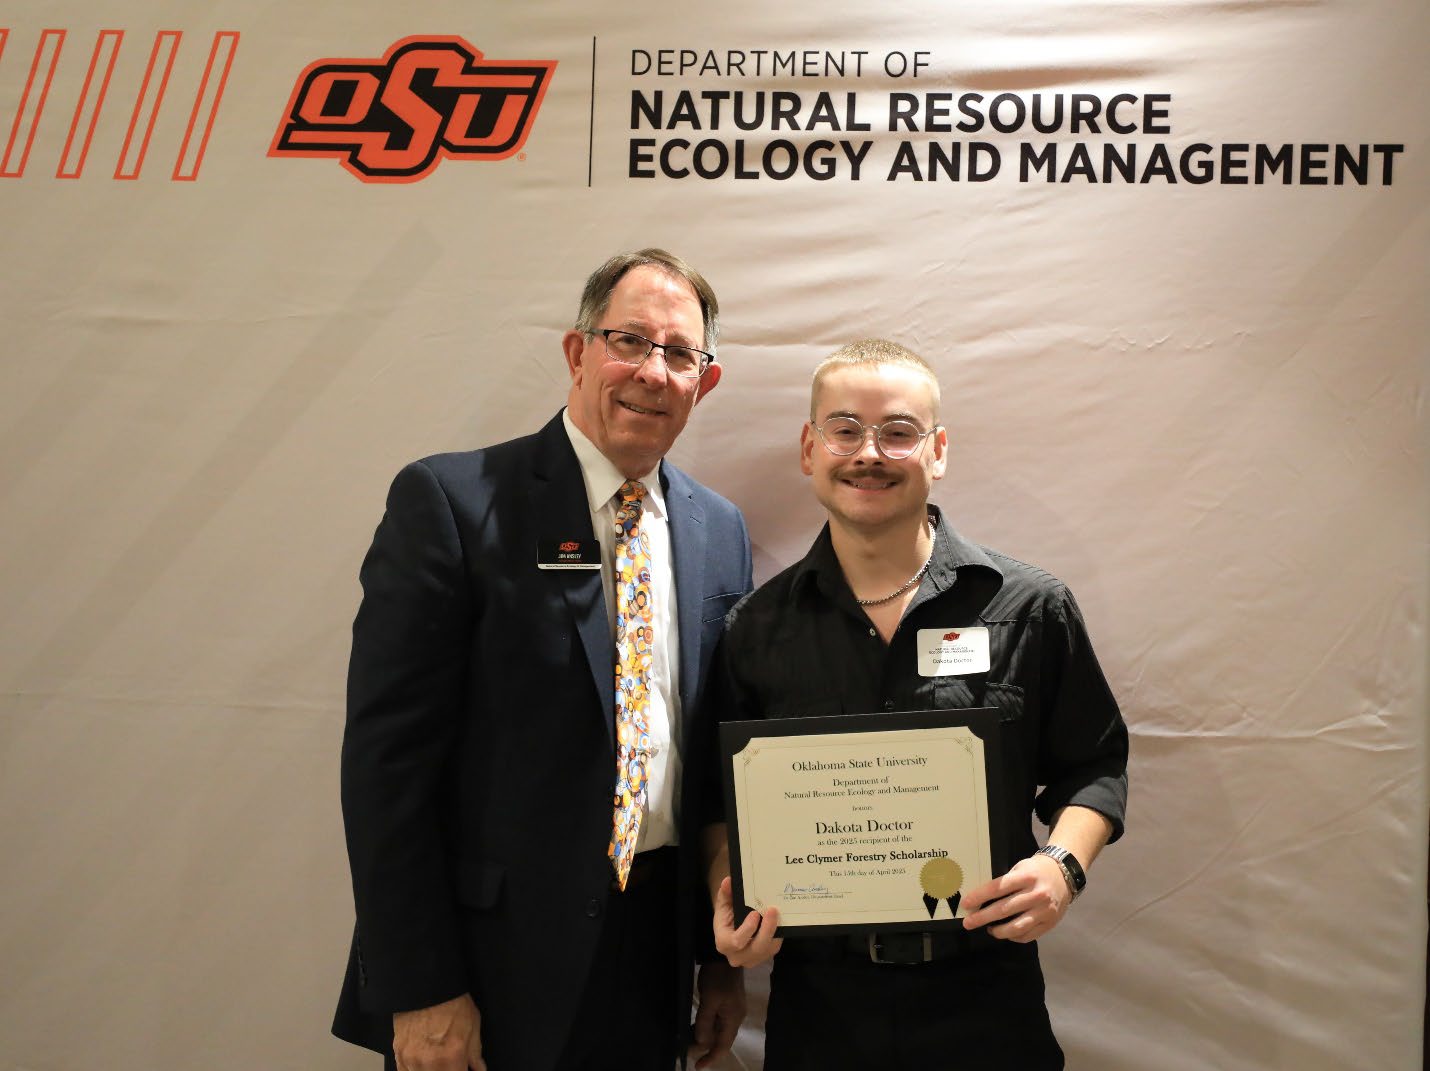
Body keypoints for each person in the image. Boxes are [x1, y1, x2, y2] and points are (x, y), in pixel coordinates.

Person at [332, 249, 753, 1071]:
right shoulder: (454, 503)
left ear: (704, 382)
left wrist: (717, 964)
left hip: (655, 958)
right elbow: (386, 767)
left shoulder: (719, 529)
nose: (652, 371)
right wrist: (421, 986)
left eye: (680, 353)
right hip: (489, 968)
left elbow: (709, 758)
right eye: (629, 340)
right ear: (577, 352)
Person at [705, 339, 1128, 1069]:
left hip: (986, 999)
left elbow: (1095, 764)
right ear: (810, 448)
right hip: (819, 1010)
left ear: (936, 451)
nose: (869, 452)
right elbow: (722, 797)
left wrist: (1063, 866)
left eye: (897, 432)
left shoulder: (1030, 607)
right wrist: (728, 894)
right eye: (844, 429)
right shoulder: (756, 628)